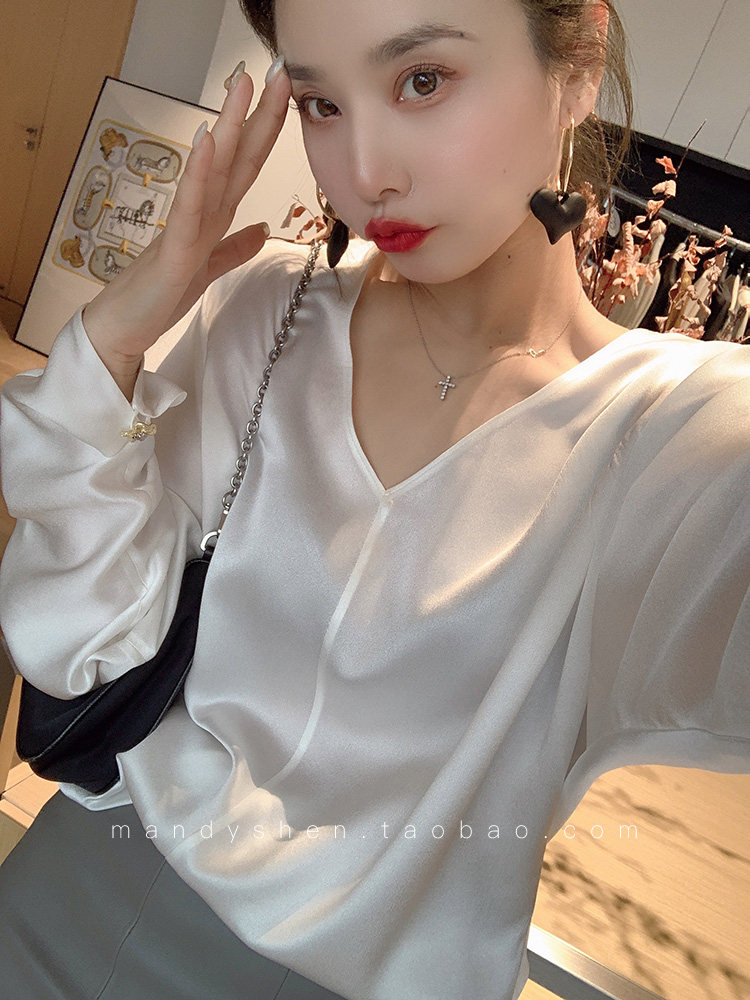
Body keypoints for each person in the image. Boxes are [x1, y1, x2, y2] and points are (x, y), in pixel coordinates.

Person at [0, 1, 748, 998]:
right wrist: (114, 339)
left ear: (576, 64)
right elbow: (80, 649)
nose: (365, 173)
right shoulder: (268, 311)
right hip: (78, 891)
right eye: (321, 103)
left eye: (422, 80)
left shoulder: (675, 434)